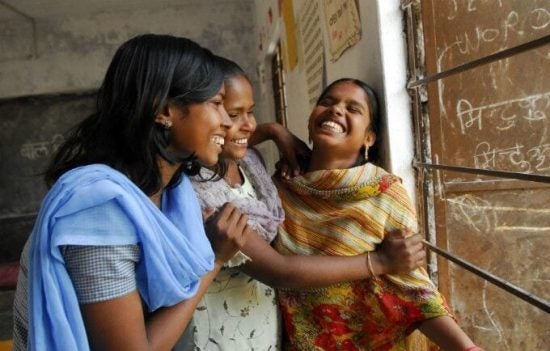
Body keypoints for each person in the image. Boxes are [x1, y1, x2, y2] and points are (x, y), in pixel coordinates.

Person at [12, 34, 251, 351]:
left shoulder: (172, 195)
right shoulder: (100, 211)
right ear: (164, 110)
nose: (226, 121)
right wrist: (216, 260)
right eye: (217, 104)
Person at [186, 58, 427, 351]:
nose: (248, 124)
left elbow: (418, 289)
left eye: (250, 112)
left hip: (268, 333)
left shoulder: (251, 165)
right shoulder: (202, 197)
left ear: (369, 137)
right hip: (219, 337)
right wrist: (380, 262)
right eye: (234, 114)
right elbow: (280, 270)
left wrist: (275, 131)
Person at [271, 78, 483, 351]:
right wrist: (273, 130)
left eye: (353, 108)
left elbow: (413, 287)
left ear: (369, 137)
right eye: (327, 102)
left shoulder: (384, 195)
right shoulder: (282, 185)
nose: (336, 110)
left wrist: (466, 348)